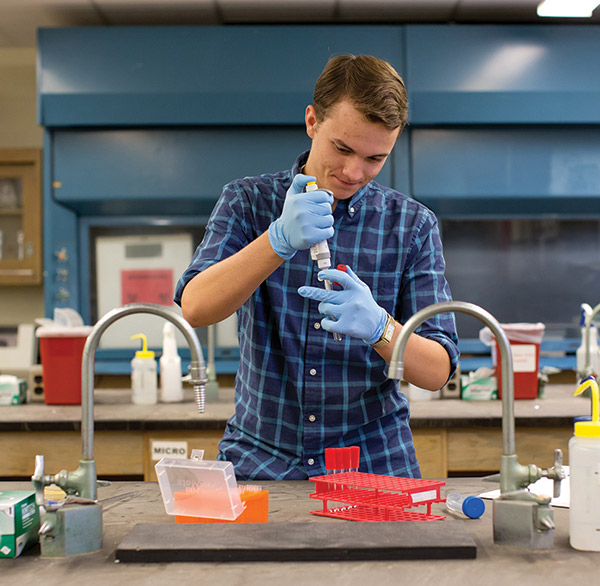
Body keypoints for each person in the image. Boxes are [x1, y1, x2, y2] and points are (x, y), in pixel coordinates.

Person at [175, 54, 459, 480]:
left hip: (375, 463)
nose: (352, 171)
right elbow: (195, 307)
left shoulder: (411, 225)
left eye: (375, 159)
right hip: (261, 459)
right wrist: (276, 240)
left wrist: (382, 328)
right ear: (312, 122)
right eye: (342, 148)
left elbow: (438, 370)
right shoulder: (247, 202)